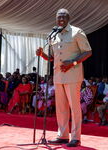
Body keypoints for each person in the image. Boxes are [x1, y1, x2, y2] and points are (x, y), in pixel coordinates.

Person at [36, 8, 92, 147]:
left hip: (73, 75)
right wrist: (42, 54)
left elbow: (88, 52)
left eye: (63, 17)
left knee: (74, 107)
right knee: (60, 108)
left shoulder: (77, 32)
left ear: (68, 18)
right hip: (58, 76)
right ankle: (62, 135)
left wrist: (72, 63)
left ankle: (76, 137)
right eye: (58, 17)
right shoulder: (53, 35)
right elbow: (52, 58)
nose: (61, 19)